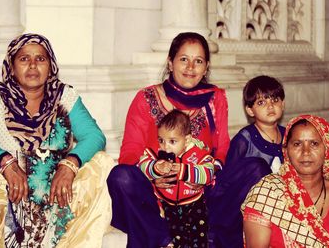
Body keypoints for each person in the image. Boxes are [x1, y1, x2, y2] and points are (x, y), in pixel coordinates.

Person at [0, 33, 114, 247]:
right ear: (12, 66)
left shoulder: (63, 96)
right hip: (7, 200)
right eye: (24, 59)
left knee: (102, 163)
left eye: (40, 59)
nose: (33, 65)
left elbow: (94, 136)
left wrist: (69, 165)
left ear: (50, 65)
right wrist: (5, 162)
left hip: (57, 199)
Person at [107, 32, 230, 248]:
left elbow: (221, 150)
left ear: (206, 67)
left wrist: (204, 178)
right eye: (184, 59)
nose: (190, 67)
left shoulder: (215, 98)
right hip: (156, 196)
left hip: (200, 194)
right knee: (121, 177)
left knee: (254, 169)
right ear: (170, 63)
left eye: (198, 61)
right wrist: (154, 175)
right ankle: (164, 239)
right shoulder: (146, 98)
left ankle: (204, 233)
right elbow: (130, 153)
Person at [242, 115, 329, 247]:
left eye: (314, 144)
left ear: (327, 149)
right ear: (285, 150)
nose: (306, 152)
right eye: (297, 144)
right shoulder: (266, 195)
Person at [206, 75, 286, 247]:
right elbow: (226, 184)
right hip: (238, 211)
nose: (270, 106)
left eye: (275, 99)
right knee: (258, 167)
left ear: (283, 104)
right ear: (250, 110)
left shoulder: (288, 136)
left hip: (276, 207)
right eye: (261, 102)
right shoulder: (245, 139)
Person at [138, 109, 215, 247]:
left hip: (194, 205)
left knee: (198, 240)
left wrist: (185, 171)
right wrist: (155, 168)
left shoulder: (198, 154)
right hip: (166, 206)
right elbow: (142, 165)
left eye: (172, 141)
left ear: (187, 140)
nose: (165, 147)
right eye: (161, 140)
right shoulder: (156, 153)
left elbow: (208, 173)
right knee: (172, 239)